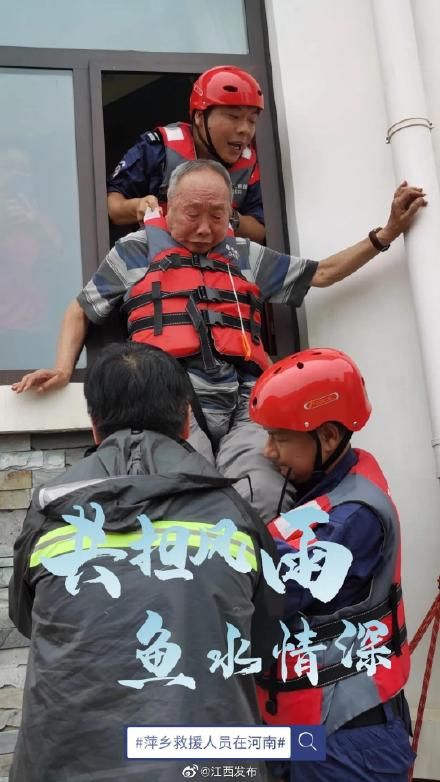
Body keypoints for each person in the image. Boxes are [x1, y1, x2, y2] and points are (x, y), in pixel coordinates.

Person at [12, 160, 426, 521]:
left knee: (262, 496)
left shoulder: (244, 255)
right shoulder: (135, 252)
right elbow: (81, 308)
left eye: (218, 215)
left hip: (247, 402)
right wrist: (65, 369)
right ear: (169, 207)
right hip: (166, 400)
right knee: (184, 497)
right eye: (192, 214)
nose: (206, 228)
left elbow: (323, 273)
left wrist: (386, 233)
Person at [9, 341, 283, 782]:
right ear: (186, 418)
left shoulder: (49, 512)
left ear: (94, 424)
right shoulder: (232, 512)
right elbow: (264, 640)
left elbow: (29, 620)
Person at [249, 348, 415, 782]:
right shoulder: (326, 487)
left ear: (326, 437)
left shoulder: (355, 516)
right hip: (304, 725)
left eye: (280, 438)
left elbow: (279, 594)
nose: (268, 452)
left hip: (346, 737)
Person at [107, 65, 266, 242]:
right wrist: (138, 206)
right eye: (233, 117)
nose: (245, 130)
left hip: (220, 266)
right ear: (199, 117)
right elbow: (112, 206)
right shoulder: (158, 150)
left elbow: (261, 230)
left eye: (252, 120)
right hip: (157, 262)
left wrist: (228, 215)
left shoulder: (249, 165)